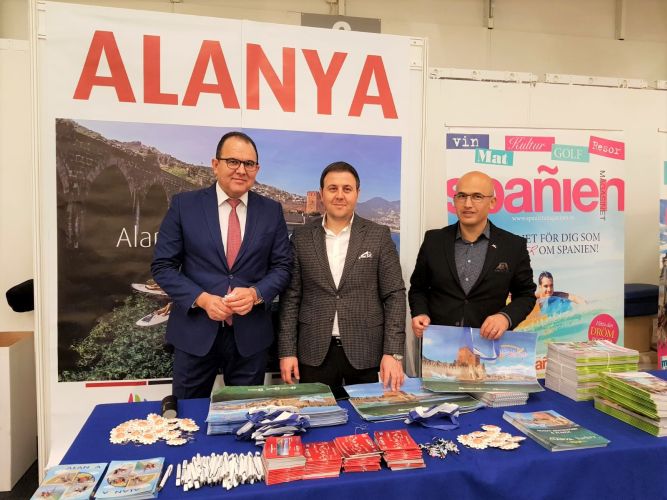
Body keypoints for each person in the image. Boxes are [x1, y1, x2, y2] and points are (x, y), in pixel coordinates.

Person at [151, 131, 292, 398]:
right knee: (188, 416)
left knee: (246, 416)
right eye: (233, 161)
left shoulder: (271, 211)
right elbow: (163, 266)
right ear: (215, 165)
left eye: (249, 164)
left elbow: (283, 267)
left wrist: (256, 293)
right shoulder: (184, 206)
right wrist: (202, 299)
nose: (241, 170)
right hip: (194, 335)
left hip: (250, 339)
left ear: (257, 169)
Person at [278, 161, 406, 392]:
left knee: (367, 415)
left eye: (347, 189)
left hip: (367, 352)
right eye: (332, 188)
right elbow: (291, 298)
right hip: (314, 351)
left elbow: (394, 295)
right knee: (317, 414)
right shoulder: (301, 237)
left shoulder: (378, 235)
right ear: (321, 194)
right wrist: (287, 351)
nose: (339, 195)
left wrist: (393, 352)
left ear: (357, 193)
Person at [409, 170, 536, 340]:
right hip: (439, 344)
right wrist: (420, 313)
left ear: (492, 202)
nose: (467, 204)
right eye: (462, 196)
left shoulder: (513, 246)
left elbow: (526, 295)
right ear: (454, 200)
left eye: (477, 196)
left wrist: (505, 318)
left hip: (487, 345)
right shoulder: (434, 240)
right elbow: (418, 289)